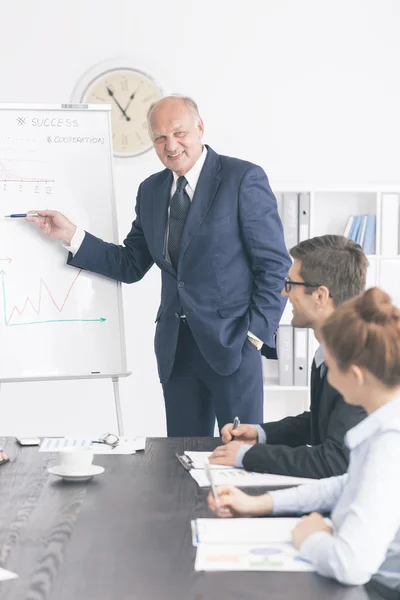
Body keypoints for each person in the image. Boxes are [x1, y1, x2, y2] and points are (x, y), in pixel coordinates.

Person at [27, 95, 290, 437]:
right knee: (180, 464)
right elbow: (131, 262)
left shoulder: (242, 179)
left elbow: (275, 266)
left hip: (233, 348)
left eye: (179, 133)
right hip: (176, 351)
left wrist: (253, 336)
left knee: (241, 460)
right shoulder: (151, 190)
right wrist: (73, 235)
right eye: (160, 138)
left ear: (200, 127)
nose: (171, 145)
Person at [208, 287, 400, 594]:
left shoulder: (389, 443)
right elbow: (346, 484)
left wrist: (310, 537)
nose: (329, 378)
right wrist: (261, 503)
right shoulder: (383, 426)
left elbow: (350, 564)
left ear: (356, 375)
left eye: (333, 367)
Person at [210, 234, 368, 477]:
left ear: (320, 296)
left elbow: (334, 461)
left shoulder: (358, 362)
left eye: (291, 284)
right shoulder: (329, 352)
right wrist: (260, 434)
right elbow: (319, 422)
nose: (284, 294)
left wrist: (246, 456)